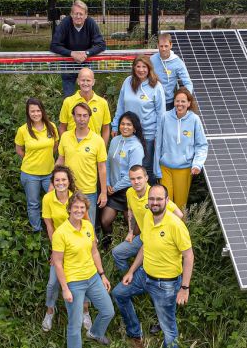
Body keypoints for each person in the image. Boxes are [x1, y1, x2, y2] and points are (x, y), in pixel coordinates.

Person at [112, 185, 194, 348]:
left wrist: (184, 288)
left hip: (165, 284)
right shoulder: (148, 216)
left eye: (159, 199)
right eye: (152, 199)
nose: (155, 202)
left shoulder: (175, 225)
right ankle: (135, 334)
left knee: (169, 328)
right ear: (148, 201)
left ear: (167, 201)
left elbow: (189, 256)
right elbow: (145, 246)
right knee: (119, 294)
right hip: (144, 275)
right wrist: (132, 271)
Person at [52, 191, 115, 348]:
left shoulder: (88, 226)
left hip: (93, 277)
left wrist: (102, 275)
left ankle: (95, 333)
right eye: (76, 207)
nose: (79, 210)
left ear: (85, 210)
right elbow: (57, 262)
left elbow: (95, 252)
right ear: (69, 209)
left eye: (82, 207)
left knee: (108, 311)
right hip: (74, 282)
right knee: (75, 323)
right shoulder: (61, 233)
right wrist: (65, 288)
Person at [41, 166, 92, 333]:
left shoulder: (76, 198)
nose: (61, 183)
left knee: (84, 280)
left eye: (64, 180)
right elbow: (49, 227)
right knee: (52, 283)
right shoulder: (48, 199)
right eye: (57, 180)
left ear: (69, 182)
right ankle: (50, 311)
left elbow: (87, 222)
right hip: (61, 247)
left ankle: (85, 311)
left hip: (78, 247)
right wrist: (55, 251)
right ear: (53, 182)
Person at [112, 165, 183, 274]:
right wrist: (130, 232)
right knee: (117, 253)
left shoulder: (155, 194)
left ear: (146, 178)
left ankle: (141, 276)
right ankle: (130, 278)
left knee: (149, 265)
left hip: (158, 240)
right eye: (132, 179)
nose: (136, 182)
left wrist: (166, 235)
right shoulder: (129, 192)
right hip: (143, 237)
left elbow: (179, 214)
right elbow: (130, 211)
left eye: (139, 178)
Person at [111, 55, 166, 184]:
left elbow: (161, 114)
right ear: (134, 68)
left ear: (149, 68)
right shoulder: (128, 82)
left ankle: (150, 198)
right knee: (129, 167)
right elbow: (121, 106)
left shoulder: (156, 86)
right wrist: (115, 125)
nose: (141, 70)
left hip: (148, 135)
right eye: (138, 66)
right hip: (128, 132)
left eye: (144, 67)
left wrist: (159, 134)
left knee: (145, 168)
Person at [154, 88, 208, 211]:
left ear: (189, 103)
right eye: (177, 101)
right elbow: (158, 145)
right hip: (165, 167)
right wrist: (156, 168)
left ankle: (180, 229)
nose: (180, 104)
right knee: (165, 203)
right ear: (173, 102)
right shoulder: (165, 117)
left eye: (183, 101)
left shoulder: (194, 120)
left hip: (184, 169)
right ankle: (165, 229)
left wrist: (197, 164)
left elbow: (202, 145)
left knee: (180, 206)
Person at [56, 102, 107, 226]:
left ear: (89, 117)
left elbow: (102, 168)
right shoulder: (65, 137)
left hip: (88, 191)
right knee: (68, 226)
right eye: (78, 115)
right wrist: (53, 183)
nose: (81, 119)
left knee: (88, 227)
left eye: (85, 116)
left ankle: (92, 246)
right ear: (73, 117)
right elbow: (60, 160)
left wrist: (104, 192)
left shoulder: (97, 140)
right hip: (68, 189)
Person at [100, 112, 145, 248]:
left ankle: (134, 250)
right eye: (123, 124)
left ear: (134, 128)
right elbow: (107, 163)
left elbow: (133, 175)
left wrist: (115, 188)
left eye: (129, 125)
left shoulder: (136, 147)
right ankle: (108, 246)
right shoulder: (115, 140)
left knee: (132, 226)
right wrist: (107, 183)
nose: (125, 127)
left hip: (128, 191)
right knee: (105, 220)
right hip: (112, 189)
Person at [15, 97, 58, 232]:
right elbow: (19, 149)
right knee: (33, 204)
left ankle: (58, 229)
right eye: (32, 111)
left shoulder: (51, 127)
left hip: (49, 173)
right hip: (30, 174)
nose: (35, 114)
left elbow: (55, 146)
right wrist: (30, 159)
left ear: (42, 111)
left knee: (55, 200)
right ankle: (37, 231)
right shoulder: (23, 130)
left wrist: (46, 158)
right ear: (28, 113)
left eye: (38, 110)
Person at [50, 0, 106, 97]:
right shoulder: (65, 23)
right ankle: (70, 110)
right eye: (76, 14)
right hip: (68, 60)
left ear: (86, 15)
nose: (78, 16)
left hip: (86, 60)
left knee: (87, 93)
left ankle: (86, 110)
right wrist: (71, 53)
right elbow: (54, 45)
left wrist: (87, 53)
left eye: (81, 14)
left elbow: (101, 44)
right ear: (71, 14)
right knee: (69, 96)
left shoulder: (90, 23)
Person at [59, 67, 111, 146]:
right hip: (73, 147)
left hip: (94, 148)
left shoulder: (102, 103)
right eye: (83, 80)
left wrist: (102, 148)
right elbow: (62, 127)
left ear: (93, 82)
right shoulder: (68, 102)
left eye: (88, 80)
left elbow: (106, 128)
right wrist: (66, 146)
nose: (85, 83)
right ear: (78, 81)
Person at [150, 33, 193, 110]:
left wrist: (186, 98)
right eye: (161, 46)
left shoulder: (178, 62)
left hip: (168, 103)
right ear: (157, 46)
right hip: (152, 101)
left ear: (171, 45)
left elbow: (187, 83)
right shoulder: (152, 60)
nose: (163, 49)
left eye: (166, 46)